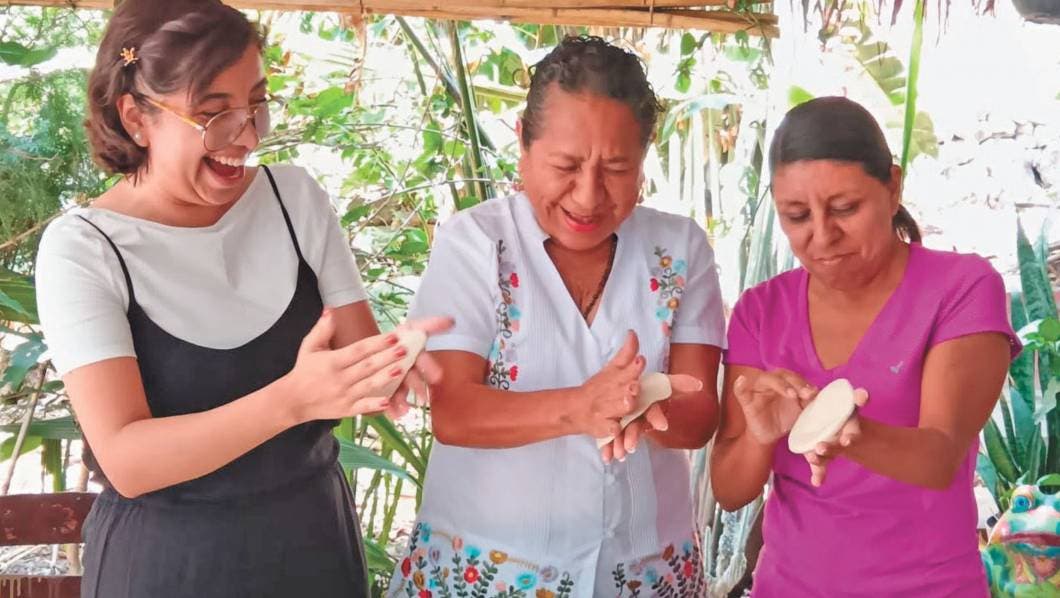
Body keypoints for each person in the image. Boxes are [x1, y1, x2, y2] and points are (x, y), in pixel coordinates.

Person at [34, 1, 448, 596]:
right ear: (136, 118)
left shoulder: (295, 199)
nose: (248, 135)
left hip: (313, 547)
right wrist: (291, 400)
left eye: (257, 103)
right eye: (214, 114)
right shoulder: (84, 249)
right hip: (169, 565)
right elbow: (128, 459)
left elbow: (356, 357)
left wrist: (392, 365)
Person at [388, 36, 726, 597]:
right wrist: (583, 407)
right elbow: (457, 414)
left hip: (640, 572)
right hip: (487, 572)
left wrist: (647, 404)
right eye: (565, 165)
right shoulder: (477, 242)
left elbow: (698, 417)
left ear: (645, 155)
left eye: (617, 167)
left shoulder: (680, 247)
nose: (588, 196)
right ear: (521, 141)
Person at [710, 96, 1021, 597]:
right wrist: (759, 437)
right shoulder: (761, 311)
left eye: (845, 208)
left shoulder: (961, 288)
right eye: (796, 216)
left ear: (893, 187)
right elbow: (729, 490)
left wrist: (849, 433)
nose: (822, 236)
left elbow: (939, 457)